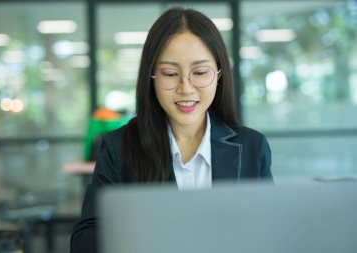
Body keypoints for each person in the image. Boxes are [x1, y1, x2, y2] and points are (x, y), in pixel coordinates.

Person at [70, 7, 272, 253]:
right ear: (151, 75)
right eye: (170, 73)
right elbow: (85, 241)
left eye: (199, 72)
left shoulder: (252, 146)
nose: (186, 88)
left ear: (219, 74)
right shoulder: (118, 147)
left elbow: (268, 234)